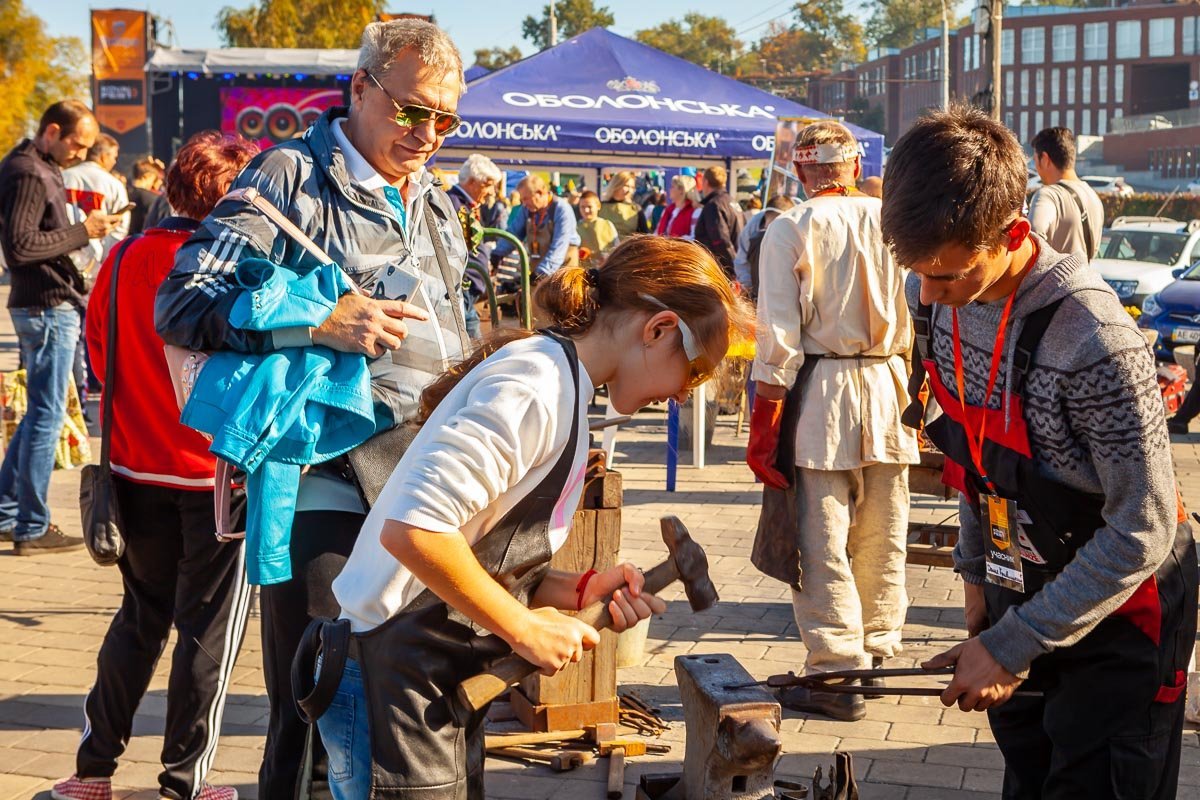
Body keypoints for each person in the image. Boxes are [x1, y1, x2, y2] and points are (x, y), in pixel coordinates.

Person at [301, 236, 756, 799]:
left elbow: (477, 546)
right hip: (386, 675)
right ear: (659, 329)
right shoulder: (536, 387)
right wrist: (522, 629)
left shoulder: (564, 383)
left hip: (430, 676)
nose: (681, 397)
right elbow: (414, 528)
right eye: (692, 373)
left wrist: (574, 588)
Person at [155, 19, 471, 798]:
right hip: (324, 478)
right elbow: (183, 301)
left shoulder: (439, 204)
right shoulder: (288, 177)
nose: (428, 134)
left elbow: (454, 329)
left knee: (396, 707)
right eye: (412, 111)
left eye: (445, 118)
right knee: (318, 698)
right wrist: (316, 322)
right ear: (361, 87)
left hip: (424, 477)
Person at [883, 104, 1195, 799]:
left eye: (950, 276)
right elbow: (974, 456)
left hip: (1122, 606)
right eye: (918, 273)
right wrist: (979, 592)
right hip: (1018, 585)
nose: (930, 295)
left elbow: (1141, 528)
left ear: (1013, 232)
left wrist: (1011, 643)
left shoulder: (1093, 338)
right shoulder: (930, 291)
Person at [49, 131, 259, 800]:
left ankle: (93, 771)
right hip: (214, 474)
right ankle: (184, 782)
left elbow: (99, 353)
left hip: (134, 471)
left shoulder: (125, 255)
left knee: (139, 621)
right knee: (207, 632)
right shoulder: (236, 266)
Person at [748, 121, 919, 722]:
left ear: (801, 170)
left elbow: (777, 338)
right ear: (850, 167)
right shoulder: (892, 221)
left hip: (822, 392)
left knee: (822, 541)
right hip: (889, 384)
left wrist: (764, 422)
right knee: (882, 535)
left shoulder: (791, 226)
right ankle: (876, 654)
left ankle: (836, 670)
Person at [0, 99, 121, 555]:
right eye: (77, 144)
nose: (80, 154)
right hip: (47, 307)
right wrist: (83, 231)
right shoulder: (29, 170)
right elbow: (21, 246)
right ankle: (31, 525)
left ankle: (11, 512)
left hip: (49, 303)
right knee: (46, 417)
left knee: (40, 414)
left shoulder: (34, 165)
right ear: (52, 131)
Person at [448, 153, 504, 338]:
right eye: (488, 185)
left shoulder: (464, 205)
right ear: (473, 182)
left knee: (474, 342)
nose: (491, 193)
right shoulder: (453, 205)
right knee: (468, 343)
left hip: (468, 287)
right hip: (461, 287)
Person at [1029, 126, 1103, 262]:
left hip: (1053, 281)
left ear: (1044, 159)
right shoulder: (1093, 196)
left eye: (1035, 160)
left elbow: (1031, 241)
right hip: (1084, 279)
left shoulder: (1048, 195)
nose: (1036, 168)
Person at [63, 133, 131, 276]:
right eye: (114, 157)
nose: (114, 162)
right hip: (97, 266)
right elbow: (119, 228)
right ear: (103, 156)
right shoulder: (114, 185)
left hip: (60, 257)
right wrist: (106, 260)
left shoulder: (62, 177)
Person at [493, 174, 580, 280]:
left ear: (540, 193)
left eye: (526, 199)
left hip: (563, 271)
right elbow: (514, 233)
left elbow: (559, 247)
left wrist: (541, 273)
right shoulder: (527, 210)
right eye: (522, 200)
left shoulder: (561, 209)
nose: (524, 203)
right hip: (540, 268)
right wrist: (497, 254)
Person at [738, 194, 796, 300]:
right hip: (758, 292)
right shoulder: (752, 229)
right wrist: (748, 289)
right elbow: (741, 260)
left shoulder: (795, 229)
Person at [693, 165, 744, 277]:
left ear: (705, 182)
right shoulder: (732, 202)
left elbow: (721, 241)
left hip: (720, 270)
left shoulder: (714, 205)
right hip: (735, 264)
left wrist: (733, 270)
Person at [599, 170, 650, 238]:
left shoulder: (636, 209)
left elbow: (644, 235)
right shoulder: (600, 207)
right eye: (626, 186)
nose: (629, 190)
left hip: (627, 247)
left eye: (632, 187)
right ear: (616, 185)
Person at [577, 189, 618, 263]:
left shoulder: (608, 225)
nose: (586, 210)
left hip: (606, 267)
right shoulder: (575, 228)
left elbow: (616, 247)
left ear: (598, 206)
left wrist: (608, 256)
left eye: (589, 207)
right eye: (582, 207)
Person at [127, 156, 166, 235]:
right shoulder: (152, 198)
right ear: (147, 176)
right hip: (142, 240)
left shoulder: (123, 192)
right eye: (153, 179)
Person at [655, 174, 699, 238]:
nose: (669, 189)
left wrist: (674, 241)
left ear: (681, 190)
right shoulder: (668, 210)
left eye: (672, 187)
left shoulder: (696, 211)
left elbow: (695, 237)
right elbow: (657, 232)